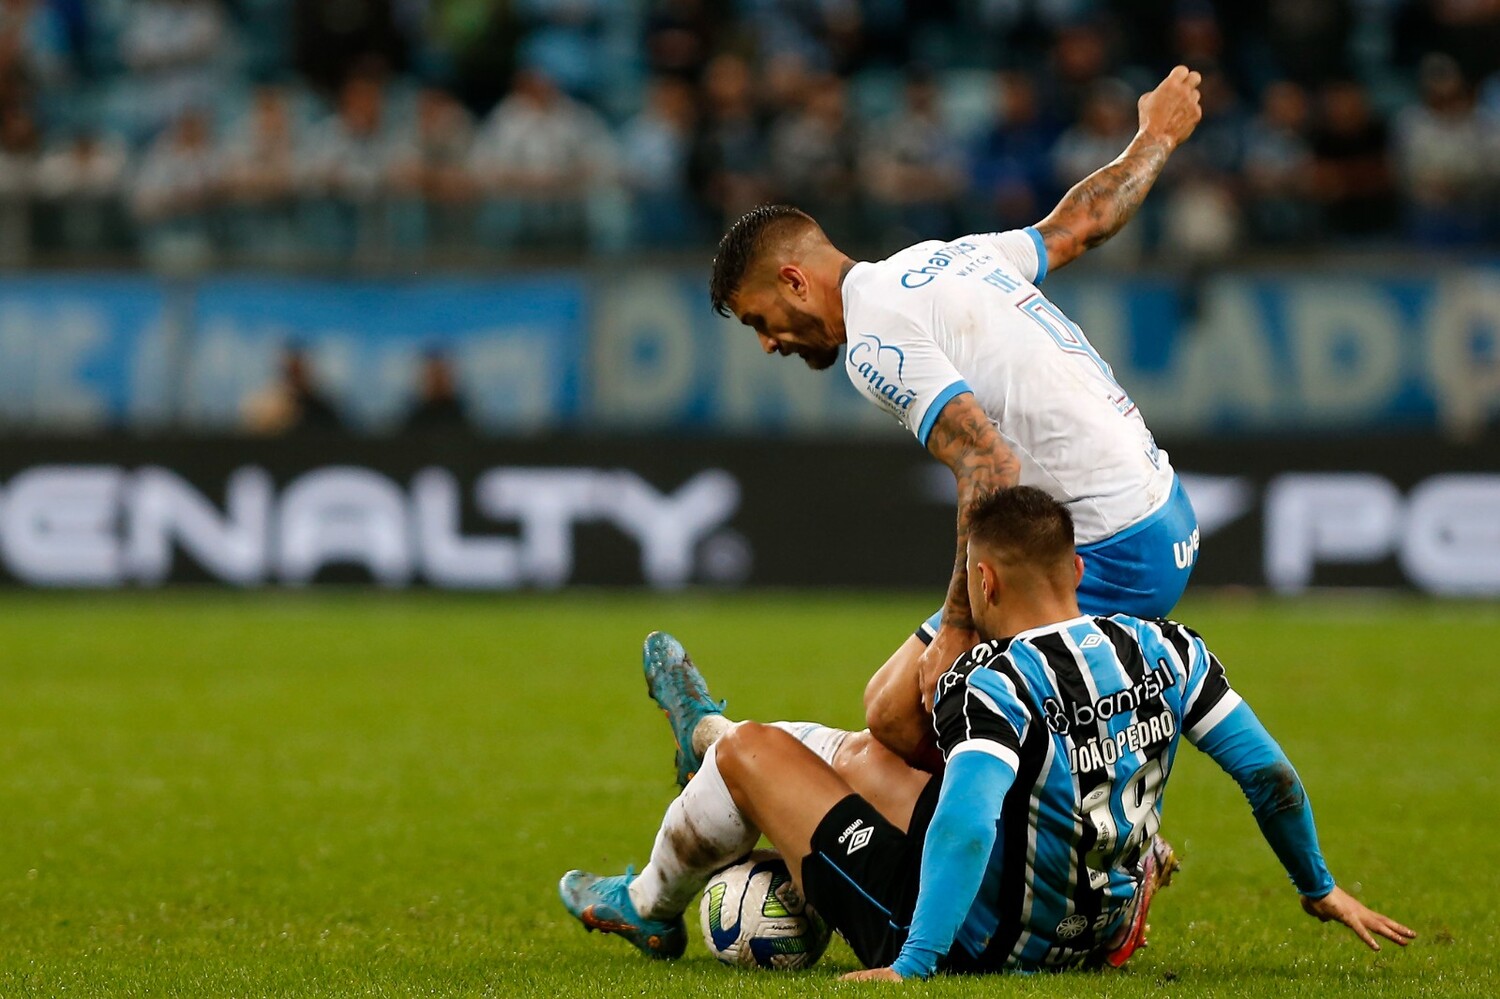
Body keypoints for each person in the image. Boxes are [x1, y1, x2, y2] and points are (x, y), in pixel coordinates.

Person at [559, 487, 1416, 978]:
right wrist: (1320, 886)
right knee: (862, 757)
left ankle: (652, 893)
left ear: (983, 580)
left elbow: (967, 819)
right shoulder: (1170, 644)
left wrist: (915, 962)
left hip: (986, 941)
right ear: (1078, 569)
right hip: (1104, 934)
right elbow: (1271, 776)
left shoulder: (994, 680)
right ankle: (704, 741)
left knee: (753, 749)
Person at [707, 66, 1207, 769]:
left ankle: (1106, 845)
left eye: (762, 320)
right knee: (892, 706)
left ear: (794, 281)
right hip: (1166, 512)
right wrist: (1155, 136)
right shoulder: (950, 260)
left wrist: (960, 628)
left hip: (1112, 544)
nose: (767, 343)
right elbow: (1079, 225)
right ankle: (737, 755)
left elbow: (988, 461)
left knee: (909, 717)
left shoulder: (873, 340)